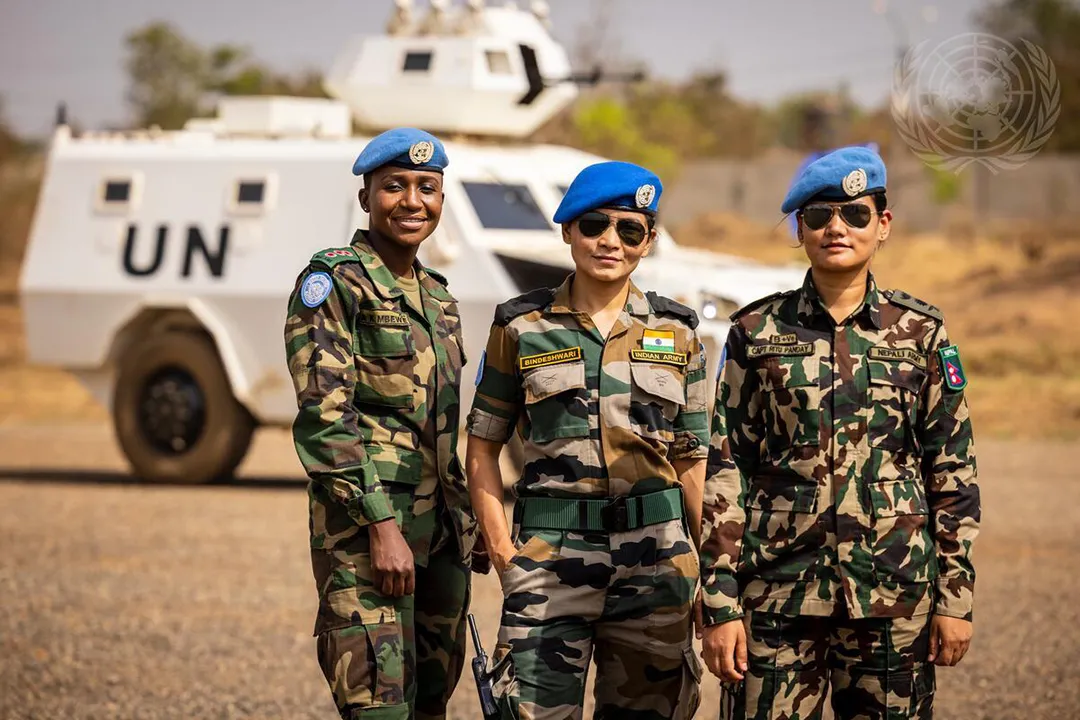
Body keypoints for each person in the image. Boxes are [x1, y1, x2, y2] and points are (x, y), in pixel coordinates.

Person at [697, 146, 981, 719]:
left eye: (854, 214)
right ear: (799, 226)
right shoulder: (755, 332)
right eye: (819, 214)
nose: (836, 228)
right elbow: (726, 470)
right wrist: (721, 605)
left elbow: (952, 471)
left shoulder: (921, 332)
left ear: (883, 224)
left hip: (892, 597)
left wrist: (956, 598)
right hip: (777, 597)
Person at [465, 160, 708, 720]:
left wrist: (713, 575)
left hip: (657, 565)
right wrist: (505, 554)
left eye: (630, 229)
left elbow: (694, 460)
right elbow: (482, 446)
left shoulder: (678, 332)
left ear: (648, 241)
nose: (610, 241)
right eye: (595, 224)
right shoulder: (520, 326)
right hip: (548, 561)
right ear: (568, 230)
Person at [283, 127, 483, 720]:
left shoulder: (439, 300)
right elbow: (324, 416)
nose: (413, 201)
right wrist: (380, 526)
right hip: (369, 537)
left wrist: (468, 523)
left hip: (440, 539)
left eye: (428, 187)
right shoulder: (335, 282)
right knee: (379, 708)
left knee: (429, 707)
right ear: (367, 197)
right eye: (394, 187)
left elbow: (443, 429)